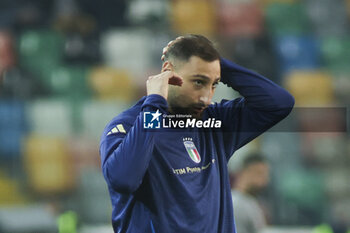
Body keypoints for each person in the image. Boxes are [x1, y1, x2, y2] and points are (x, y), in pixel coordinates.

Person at [99, 34, 294, 233]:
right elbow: (124, 180)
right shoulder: (128, 126)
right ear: (168, 72)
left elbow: (279, 103)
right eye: (198, 82)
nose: (206, 98)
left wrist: (217, 66)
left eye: (214, 84)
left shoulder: (214, 122)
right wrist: (155, 104)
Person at [231, 154, 270, 233]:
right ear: (245, 172)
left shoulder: (251, 201)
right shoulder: (235, 204)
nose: (265, 180)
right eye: (260, 173)